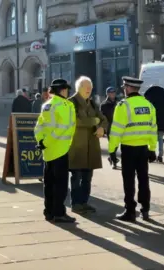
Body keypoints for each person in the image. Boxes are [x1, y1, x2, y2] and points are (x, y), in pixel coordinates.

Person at [108, 76, 157, 222]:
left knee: (129, 181)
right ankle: (145, 209)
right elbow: (153, 129)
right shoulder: (148, 105)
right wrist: (152, 148)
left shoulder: (123, 105)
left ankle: (130, 211)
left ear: (128, 88)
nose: (124, 90)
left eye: (124, 88)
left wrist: (112, 150)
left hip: (129, 149)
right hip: (143, 149)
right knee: (144, 179)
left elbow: (116, 130)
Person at [34, 79, 77, 223]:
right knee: (60, 184)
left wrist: (41, 142)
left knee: (49, 182)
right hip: (60, 148)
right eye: (67, 90)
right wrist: (47, 142)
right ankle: (59, 212)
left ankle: (49, 211)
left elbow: (39, 126)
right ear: (63, 90)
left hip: (48, 151)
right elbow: (62, 128)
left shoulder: (47, 105)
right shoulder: (66, 105)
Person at [68, 76, 108, 214]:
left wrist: (102, 127)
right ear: (78, 88)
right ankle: (76, 203)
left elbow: (103, 119)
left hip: (91, 147)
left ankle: (84, 202)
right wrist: (93, 121)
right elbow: (75, 121)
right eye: (86, 88)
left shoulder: (92, 104)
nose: (89, 90)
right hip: (77, 147)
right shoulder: (71, 103)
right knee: (76, 177)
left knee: (87, 178)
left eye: (90, 88)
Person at [144, 86, 164, 162]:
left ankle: (152, 154)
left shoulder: (150, 101)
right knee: (160, 139)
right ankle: (160, 155)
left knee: (151, 139)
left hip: (152, 123)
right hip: (163, 123)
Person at [100, 86, 119, 169]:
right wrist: (103, 128)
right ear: (107, 94)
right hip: (109, 127)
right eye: (110, 93)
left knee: (116, 145)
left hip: (118, 127)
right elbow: (102, 117)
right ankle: (114, 161)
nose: (112, 94)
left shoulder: (119, 103)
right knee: (112, 144)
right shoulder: (104, 104)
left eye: (114, 92)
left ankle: (111, 157)